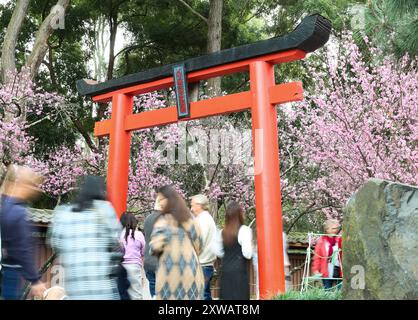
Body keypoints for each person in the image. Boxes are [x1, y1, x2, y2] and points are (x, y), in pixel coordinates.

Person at [48, 175, 122, 300]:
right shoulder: (105, 210)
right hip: (102, 289)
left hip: (75, 289)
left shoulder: (63, 213)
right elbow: (115, 241)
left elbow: (55, 243)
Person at [150, 185, 204, 300]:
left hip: (170, 275)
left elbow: (155, 246)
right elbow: (199, 245)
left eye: (161, 200)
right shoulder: (191, 219)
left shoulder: (163, 221)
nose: (159, 203)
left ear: (169, 199)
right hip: (191, 272)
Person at [0, 165, 46, 300]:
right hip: (11, 273)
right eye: (32, 185)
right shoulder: (18, 212)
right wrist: (34, 280)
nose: (34, 190)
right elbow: (22, 248)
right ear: (23, 185)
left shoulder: (6, 205)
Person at [211, 201, 253, 300]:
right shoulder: (244, 230)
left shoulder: (222, 233)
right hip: (239, 273)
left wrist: (227, 255)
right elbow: (247, 254)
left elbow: (216, 250)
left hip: (225, 272)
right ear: (240, 215)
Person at [190, 194, 217, 300]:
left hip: (201, 263)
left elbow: (198, 242)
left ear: (199, 205)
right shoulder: (205, 219)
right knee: (204, 294)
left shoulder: (203, 220)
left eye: (192, 204)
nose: (191, 207)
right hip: (203, 263)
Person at [119, 212, 145, 300]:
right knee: (136, 294)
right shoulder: (139, 235)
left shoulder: (118, 235)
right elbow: (143, 252)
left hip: (121, 267)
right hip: (134, 266)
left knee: (121, 294)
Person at [312, 219, 343, 290]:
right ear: (326, 229)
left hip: (339, 268)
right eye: (331, 228)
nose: (333, 231)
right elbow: (317, 257)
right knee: (327, 290)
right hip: (326, 269)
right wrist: (316, 269)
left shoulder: (340, 240)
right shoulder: (321, 241)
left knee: (341, 290)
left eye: (335, 228)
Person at [143, 197, 161, 299]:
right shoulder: (166, 219)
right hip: (161, 260)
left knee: (153, 288)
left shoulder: (147, 219)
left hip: (149, 259)